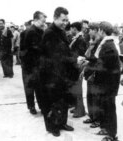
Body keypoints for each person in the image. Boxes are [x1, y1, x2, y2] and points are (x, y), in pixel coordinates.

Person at [41, 7, 83, 137]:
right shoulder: (49, 33)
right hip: (52, 75)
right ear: (55, 18)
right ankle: (53, 127)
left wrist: (76, 58)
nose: (66, 23)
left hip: (62, 73)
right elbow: (56, 56)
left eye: (67, 20)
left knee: (63, 101)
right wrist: (75, 59)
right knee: (53, 102)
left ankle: (62, 123)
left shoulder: (61, 31)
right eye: (63, 20)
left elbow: (66, 51)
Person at [81, 21, 121, 141]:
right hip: (105, 83)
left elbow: (101, 65)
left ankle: (112, 135)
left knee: (109, 109)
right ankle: (105, 128)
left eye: (98, 30)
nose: (98, 32)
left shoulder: (108, 46)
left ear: (102, 31)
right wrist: (87, 60)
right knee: (105, 107)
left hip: (109, 84)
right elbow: (99, 60)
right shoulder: (105, 44)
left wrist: (88, 64)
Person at [20, 11, 46, 115]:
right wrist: (26, 64)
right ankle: (31, 106)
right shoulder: (28, 32)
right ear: (35, 20)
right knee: (29, 87)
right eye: (42, 22)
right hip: (29, 65)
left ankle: (41, 105)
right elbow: (23, 50)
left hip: (38, 65)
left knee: (40, 87)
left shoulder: (41, 31)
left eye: (44, 22)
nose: (43, 24)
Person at [82, 22, 103, 128]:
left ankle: (97, 119)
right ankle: (92, 117)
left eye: (90, 30)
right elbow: (88, 56)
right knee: (90, 96)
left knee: (96, 98)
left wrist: (93, 72)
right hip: (89, 72)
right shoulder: (93, 41)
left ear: (95, 30)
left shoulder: (99, 43)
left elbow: (97, 60)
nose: (88, 32)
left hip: (95, 73)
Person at [68, 21, 87, 118]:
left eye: (71, 28)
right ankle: (77, 107)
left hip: (78, 67)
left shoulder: (80, 39)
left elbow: (80, 54)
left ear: (75, 29)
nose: (70, 30)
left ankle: (80, 110)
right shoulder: (76, 38)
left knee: (78, 89)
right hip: (75, 66)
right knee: (75, 89)